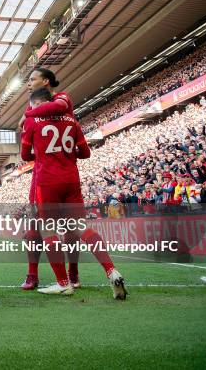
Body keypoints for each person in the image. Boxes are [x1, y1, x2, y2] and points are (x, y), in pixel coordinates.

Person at [21, 88, 127, 299]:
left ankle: (63, 283)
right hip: (71, 180)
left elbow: (25, 155)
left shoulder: (32, 122)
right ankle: (111, 270)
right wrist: (66, 152)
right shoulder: (71, 121)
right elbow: (85, 153)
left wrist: (43, 151)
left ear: (36, 104)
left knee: (48, 230)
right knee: (81, 228)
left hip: (47, 182)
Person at [18, 67, 80, 290]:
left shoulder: (61, 97)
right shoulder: (33, 107)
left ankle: (71, 275)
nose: (28, 83)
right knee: (34, 227)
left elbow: (56, 107)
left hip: (59, 173)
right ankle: (33, 274)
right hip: (43, 173)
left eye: (32, 79)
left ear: (46, 81)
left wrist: (28, 115)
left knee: (69, 228)